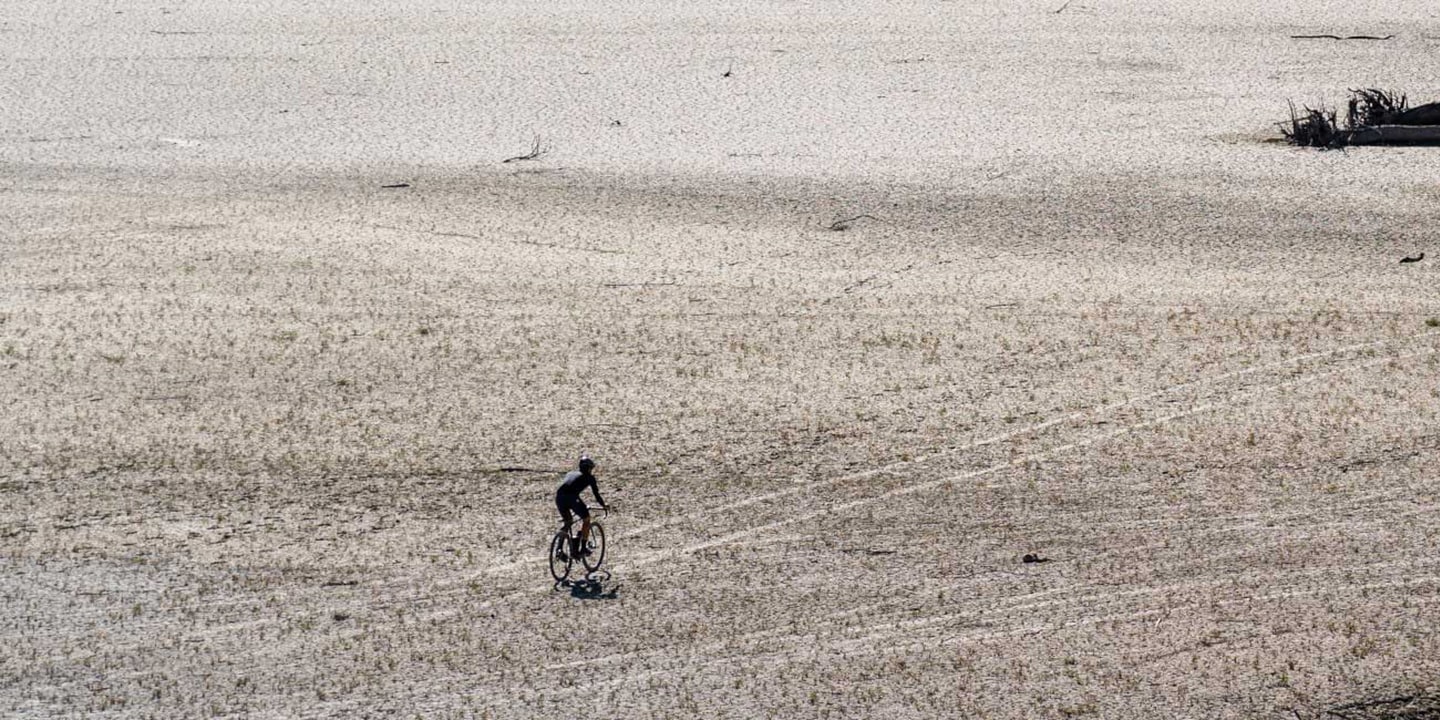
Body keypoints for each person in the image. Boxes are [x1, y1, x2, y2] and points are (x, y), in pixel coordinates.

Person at [555, 454, 607, 557]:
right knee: (586, 519)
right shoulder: (590, 478)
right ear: (588, 468)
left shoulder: (570, 473)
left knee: (568, 521)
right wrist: (603, 505)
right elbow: (596, 494)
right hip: (572, 498)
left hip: (559, 498)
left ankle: (559, 549)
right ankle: (583, 548)